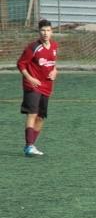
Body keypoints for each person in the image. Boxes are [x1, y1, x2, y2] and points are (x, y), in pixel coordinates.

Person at [17, 19, 58, 158]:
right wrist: (30, 78)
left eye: (48, 30)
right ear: (39, 32)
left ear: (51, 32)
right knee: (32, 114)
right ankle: (29, 146)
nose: (45, 33)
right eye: (42, 30)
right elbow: (21, 64)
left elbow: (53, 64)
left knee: (41, 117)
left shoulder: (54, 46)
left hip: (47, 86)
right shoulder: (33, 47)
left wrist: (55, 71)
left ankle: (30, 145)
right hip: (33, 85)